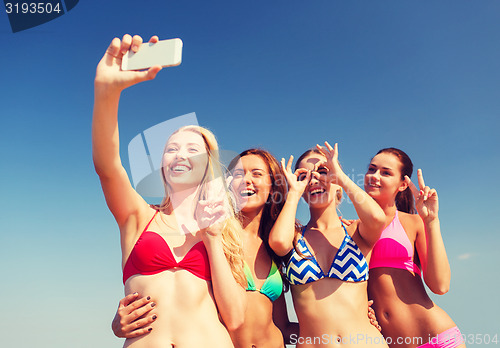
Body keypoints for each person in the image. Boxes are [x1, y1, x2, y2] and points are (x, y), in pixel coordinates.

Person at [112, 148, 381, 346]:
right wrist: (120, 323)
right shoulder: (209, 234)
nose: (247, 180)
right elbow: (173, 288)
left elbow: (282, 324)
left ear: (273, 184)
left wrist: (342, 329)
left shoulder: (280, 243)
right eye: (238, 173)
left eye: (256, 173)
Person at [93, 34, 247, 348]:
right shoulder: (138, 216)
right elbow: (107, 167)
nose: (180, 154)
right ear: (163, 166)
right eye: (171, 148)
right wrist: (106, 92)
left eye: (193, 149)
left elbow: (234, 318)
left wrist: (213, 238)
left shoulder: (226, 231)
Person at [269, 142, 388, 347]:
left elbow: (378, 218)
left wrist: (340, 176)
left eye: (323, 171)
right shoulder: (295, 238)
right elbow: (278, 242)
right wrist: (294, 193)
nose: (314, 178)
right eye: (304, 175)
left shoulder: (355, 231)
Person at [365, 148, 465, 348]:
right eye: (372, 169)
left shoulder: (413, 223)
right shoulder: (350, 229)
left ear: (402, 184)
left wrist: (431, 221)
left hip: (436, 339)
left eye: (385, 172)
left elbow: (441, 286)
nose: (374, 177)